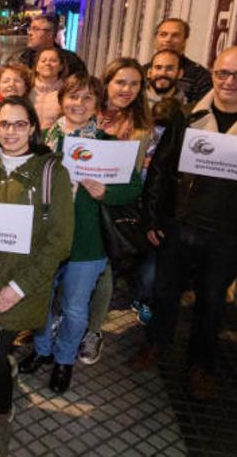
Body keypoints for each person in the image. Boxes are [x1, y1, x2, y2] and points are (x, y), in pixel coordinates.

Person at [132, 46, 237, 399]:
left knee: (211, 303)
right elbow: (161, 170)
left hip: (227, 233)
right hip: (180, 225)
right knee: (164, 292)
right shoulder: (188, 116)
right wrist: (151, 217)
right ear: (212, 74)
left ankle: (201, 366)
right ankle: (156, 343)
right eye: (223, 73)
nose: (230, 81)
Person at [0, 96, 73, 457]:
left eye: (20, 124)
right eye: (4, 124)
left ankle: (2, 414)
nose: (11, 132)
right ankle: (1, 371)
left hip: (21, 282)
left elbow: (60, 242)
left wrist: (18, 288)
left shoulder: (52, 172)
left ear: (33, 127)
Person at [19, 73, 142, 393]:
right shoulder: (41, 140)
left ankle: (64, 359)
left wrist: (106, 193)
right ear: (62, 100)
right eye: (73, 96)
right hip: (45, 241)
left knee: (75, 308)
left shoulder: (108, 144)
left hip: (87, 244)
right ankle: (43, 350)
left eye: (87, 98)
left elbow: (133, 186)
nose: (79, 103)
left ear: (97, 105)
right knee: (41, 302)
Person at [77, 58, 154, 366]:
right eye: (121, 82)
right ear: (106, 83)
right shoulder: (88, 111)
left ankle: (93, 332)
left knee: (103, 273)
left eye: (135, 84)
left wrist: (106, 191)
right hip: (77, 203)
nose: (127, 89)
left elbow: (132, 179)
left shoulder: (140, 128)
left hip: (109, 207)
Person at [147, 18, 211, 104]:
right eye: (163, 34)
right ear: (155, 40)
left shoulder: (200, 76)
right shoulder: (141, 71)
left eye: (175, 36)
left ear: (184, 41)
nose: (168, 40)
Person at [17, 14, 86, 76]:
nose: (30, 33)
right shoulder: (24, 59)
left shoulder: (70, 61)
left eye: (36, 29)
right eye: (30, 29)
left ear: (49, 34)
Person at [29, 48, 65, 130]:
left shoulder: (66, 92)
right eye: (43, 61)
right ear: (37, 67)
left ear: (61, 67)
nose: (47, 63)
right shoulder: (26, 90)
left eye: (53, 61)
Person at [146, 48, 189, 114]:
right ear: (149, 72)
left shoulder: (187, 107)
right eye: (158, 68)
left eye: (169, 68)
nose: (163, 73)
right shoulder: (134, 102)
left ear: (180, 73)